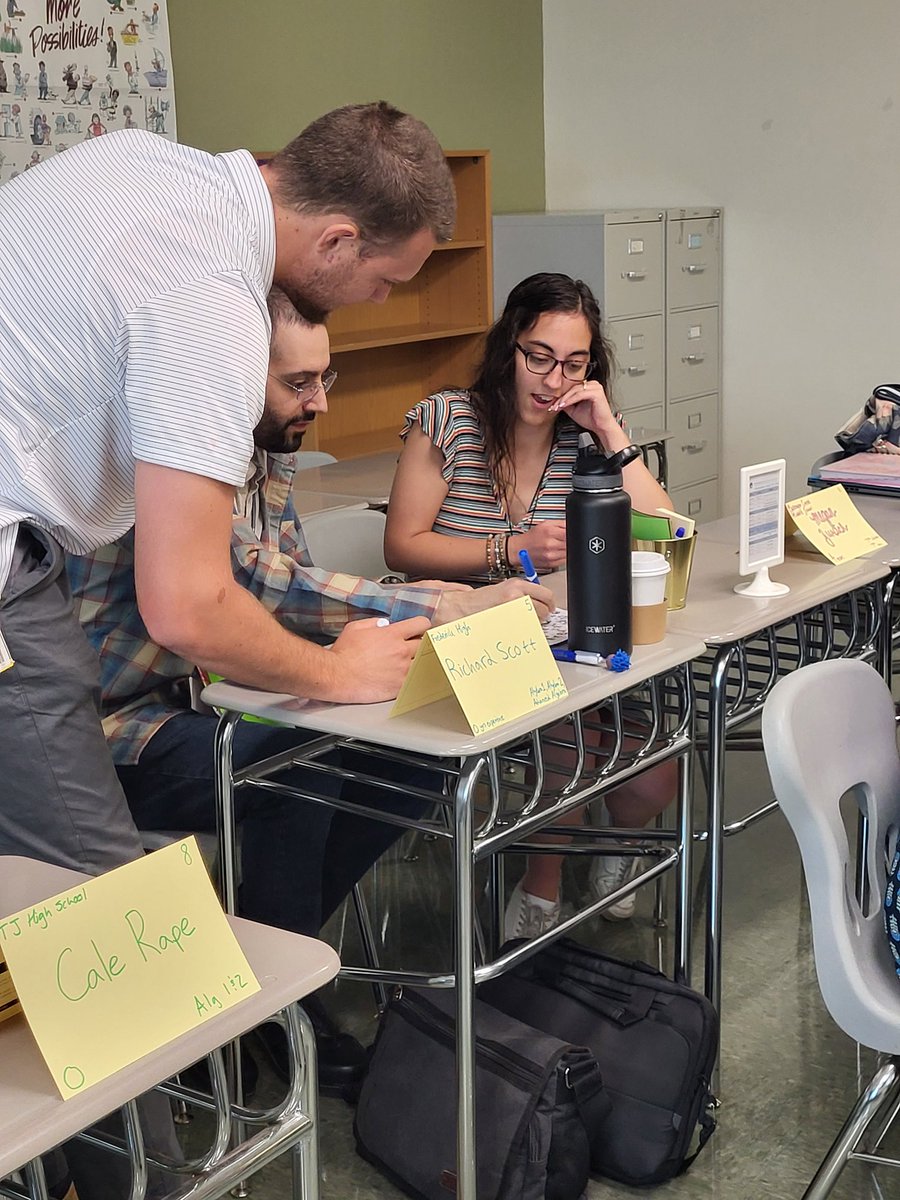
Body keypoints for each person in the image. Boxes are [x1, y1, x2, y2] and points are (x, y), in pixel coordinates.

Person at [0, 103, 548, 1195]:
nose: (382, 301)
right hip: (23, 601)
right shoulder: (210, 303)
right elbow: (191, 606)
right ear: (336, 241)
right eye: (388, 281)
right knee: (120, 940)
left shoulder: (149, 168)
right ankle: (145, 1170)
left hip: (29, 574)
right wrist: (340, 669)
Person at [68, 288, 544, 1094]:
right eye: (298, 384)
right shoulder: (169, 454)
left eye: (326, 378)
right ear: (228, 381)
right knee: (302, 767)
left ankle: (256, 967)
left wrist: (387, 644)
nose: (319, 403)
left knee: (418, 753)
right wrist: (445, 601)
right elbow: (263, 579)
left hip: (211, 697)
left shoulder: (267, 452)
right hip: (113, 732)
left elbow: (285, 578)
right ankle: (282, 1009)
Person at [385, 271, 676, 938]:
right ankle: (539, 893)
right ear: (509, 346)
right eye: (539, 357)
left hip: (556, 630)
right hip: (466, 629)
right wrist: (511, 547)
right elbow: (403, 546)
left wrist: (606, 427)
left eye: (574, 364)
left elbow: (663, 527)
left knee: (654, 768)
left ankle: (607, 849)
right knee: (576, 738)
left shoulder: (584, 433)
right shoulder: (448, 420)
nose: (552, 379)